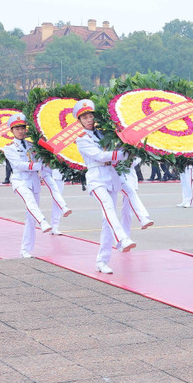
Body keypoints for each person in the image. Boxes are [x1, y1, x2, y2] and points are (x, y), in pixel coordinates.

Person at [73, 99, 136, 274]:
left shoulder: (104, 134)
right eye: (84, 117)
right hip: (96, 177)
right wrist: (123, 154)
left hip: (111, 176)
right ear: (80, 121)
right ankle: (122, 238)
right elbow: (100, 156)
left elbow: (113, 149)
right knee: (109, 209)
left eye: (91, 116)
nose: (89, 120)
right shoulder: (82, 139)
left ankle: (102, 260)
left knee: (107, 220)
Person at [3, 112, 71, 258]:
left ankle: (25, 249)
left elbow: (42, 163)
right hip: (20, 181)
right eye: (17, 128)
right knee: (30, 201)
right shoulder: (9, 148)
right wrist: (37, 165)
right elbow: (18, 164)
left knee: (30, 217)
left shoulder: (32, 145)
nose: (21, 131)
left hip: (33, 182)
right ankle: (43, 221)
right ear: (12, 131)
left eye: (22, 128)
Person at [118, 157, 154, 235]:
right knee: (131, 194)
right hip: (118, 175)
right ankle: (143, 218)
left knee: (127, 208)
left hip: (130, 176)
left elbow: (139, 158)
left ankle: (125, 236)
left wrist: (130, 160)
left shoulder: (134, 147)